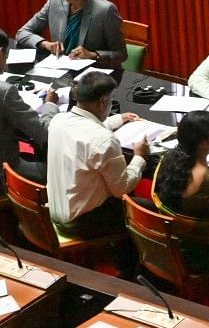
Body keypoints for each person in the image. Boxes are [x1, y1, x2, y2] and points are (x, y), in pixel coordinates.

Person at [47, 70, 146, 240]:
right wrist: (139, 157)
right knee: (143, 209)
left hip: (55, 211)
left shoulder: (58, 121)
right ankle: (128, 261)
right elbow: (121, 188)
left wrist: (119, 119)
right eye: (111, 100)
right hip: (83, 223)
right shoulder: (104, 140)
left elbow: (85, 130)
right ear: (102, 102)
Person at [18, 0, 126, 67]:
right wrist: (46, 44)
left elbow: (121, 54)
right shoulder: (55, 0)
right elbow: (23, 33)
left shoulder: (105, 10)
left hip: (95, 74)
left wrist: (93, 55)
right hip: (61, 70)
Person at [0, 30, 59, 183]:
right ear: (1, 52)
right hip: (7, 173)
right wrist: (50, 105)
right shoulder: (4, 92)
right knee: (64, 171)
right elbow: (44, 133)